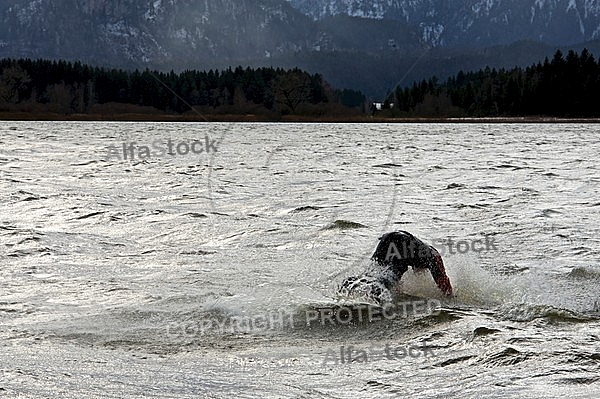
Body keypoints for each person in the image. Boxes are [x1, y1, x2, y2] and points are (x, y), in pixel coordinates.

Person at [339, 231, 453, 302]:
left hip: (388, 238)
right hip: (402, 243)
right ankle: (376, 304)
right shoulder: (434, 257)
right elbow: (443, 282)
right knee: (386, 282)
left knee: (370, 274)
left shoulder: (420, 252)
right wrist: (451, 299)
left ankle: (347, 284)